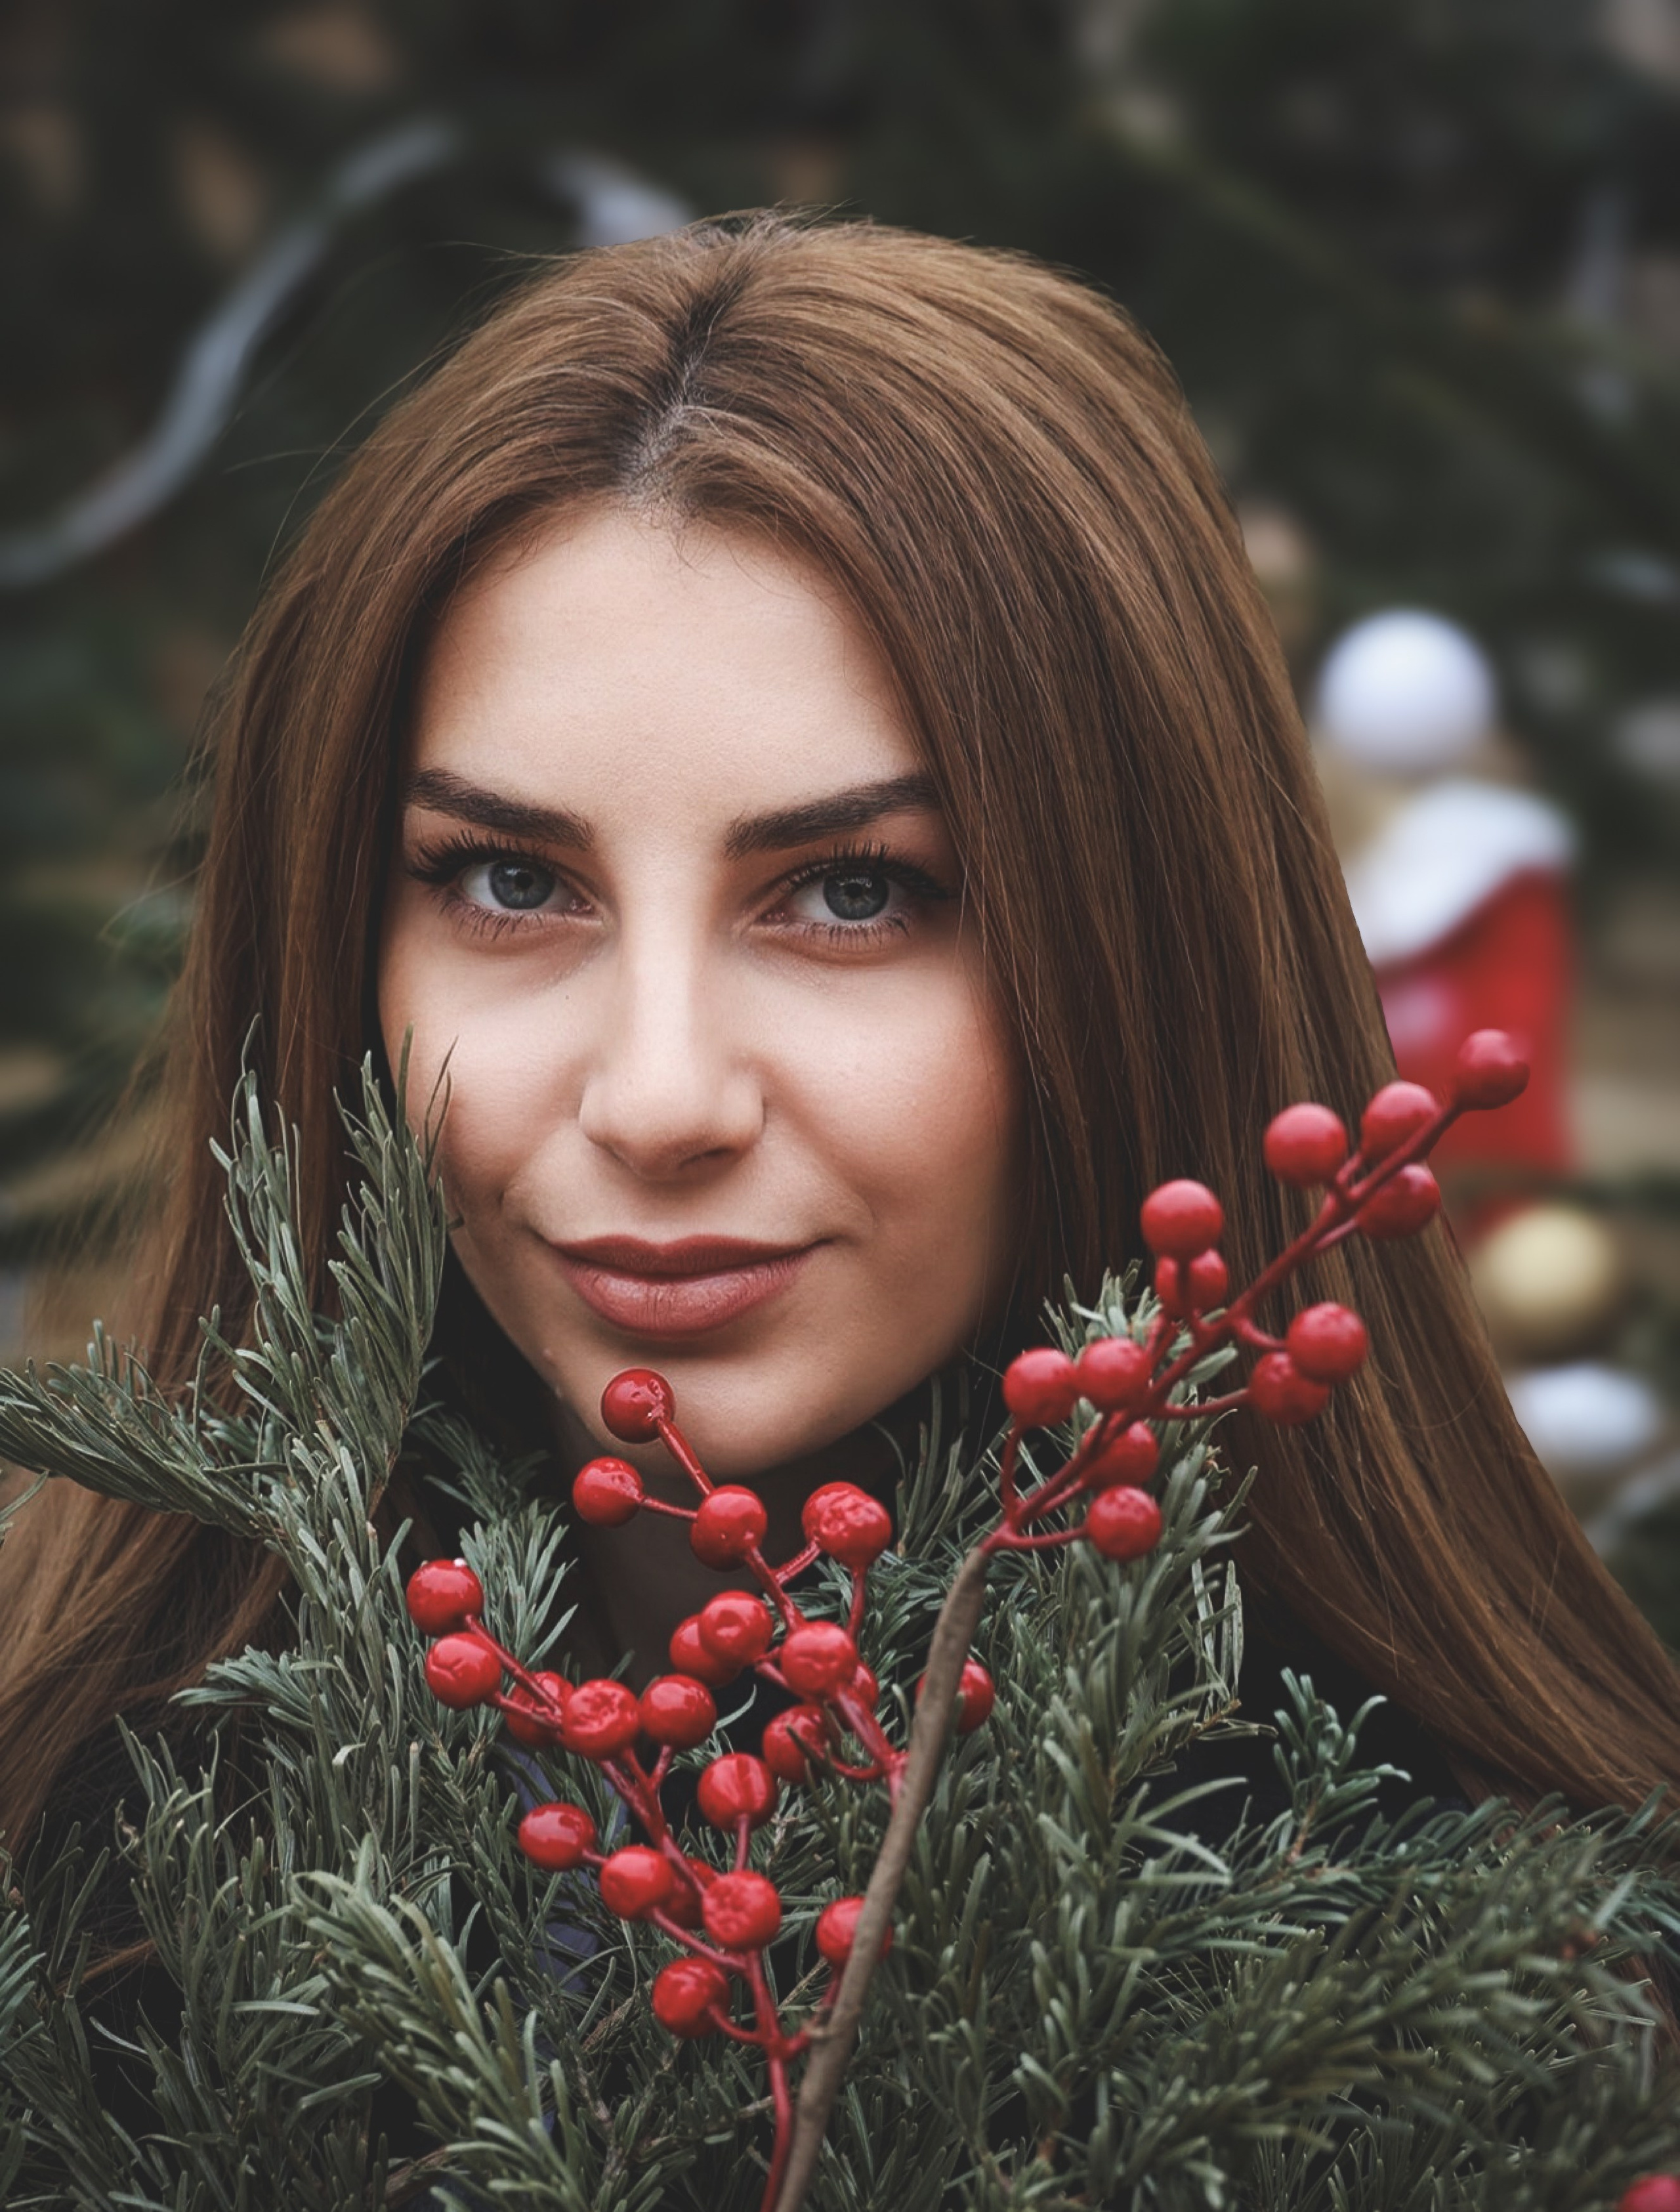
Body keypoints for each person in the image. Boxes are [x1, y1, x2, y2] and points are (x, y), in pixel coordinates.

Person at [1, 210, 1674, 1867]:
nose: (658, 1099)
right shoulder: (67, 1860)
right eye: (510, 881)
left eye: (854, 894)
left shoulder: (1506, 1951)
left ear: (1144, 948)